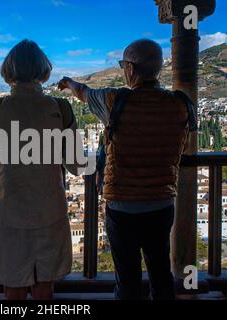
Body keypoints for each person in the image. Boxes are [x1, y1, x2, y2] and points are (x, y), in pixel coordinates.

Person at [59, 39, 197, 300]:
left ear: (131, 69)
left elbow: (84, 92)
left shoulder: (114, 100)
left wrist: (68, 83)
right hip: (162, 202)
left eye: (124, 64)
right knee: (160, 272)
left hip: (123, 206)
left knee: (128, 278)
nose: (123, 70)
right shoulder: (180, 104)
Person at [0, 39, 83, 300]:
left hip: (8, 212)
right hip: (50, 210)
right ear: (44, 70)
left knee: (13, 288)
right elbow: (76, 166)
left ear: (8, 71)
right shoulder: (60, 109)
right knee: (45, 288)